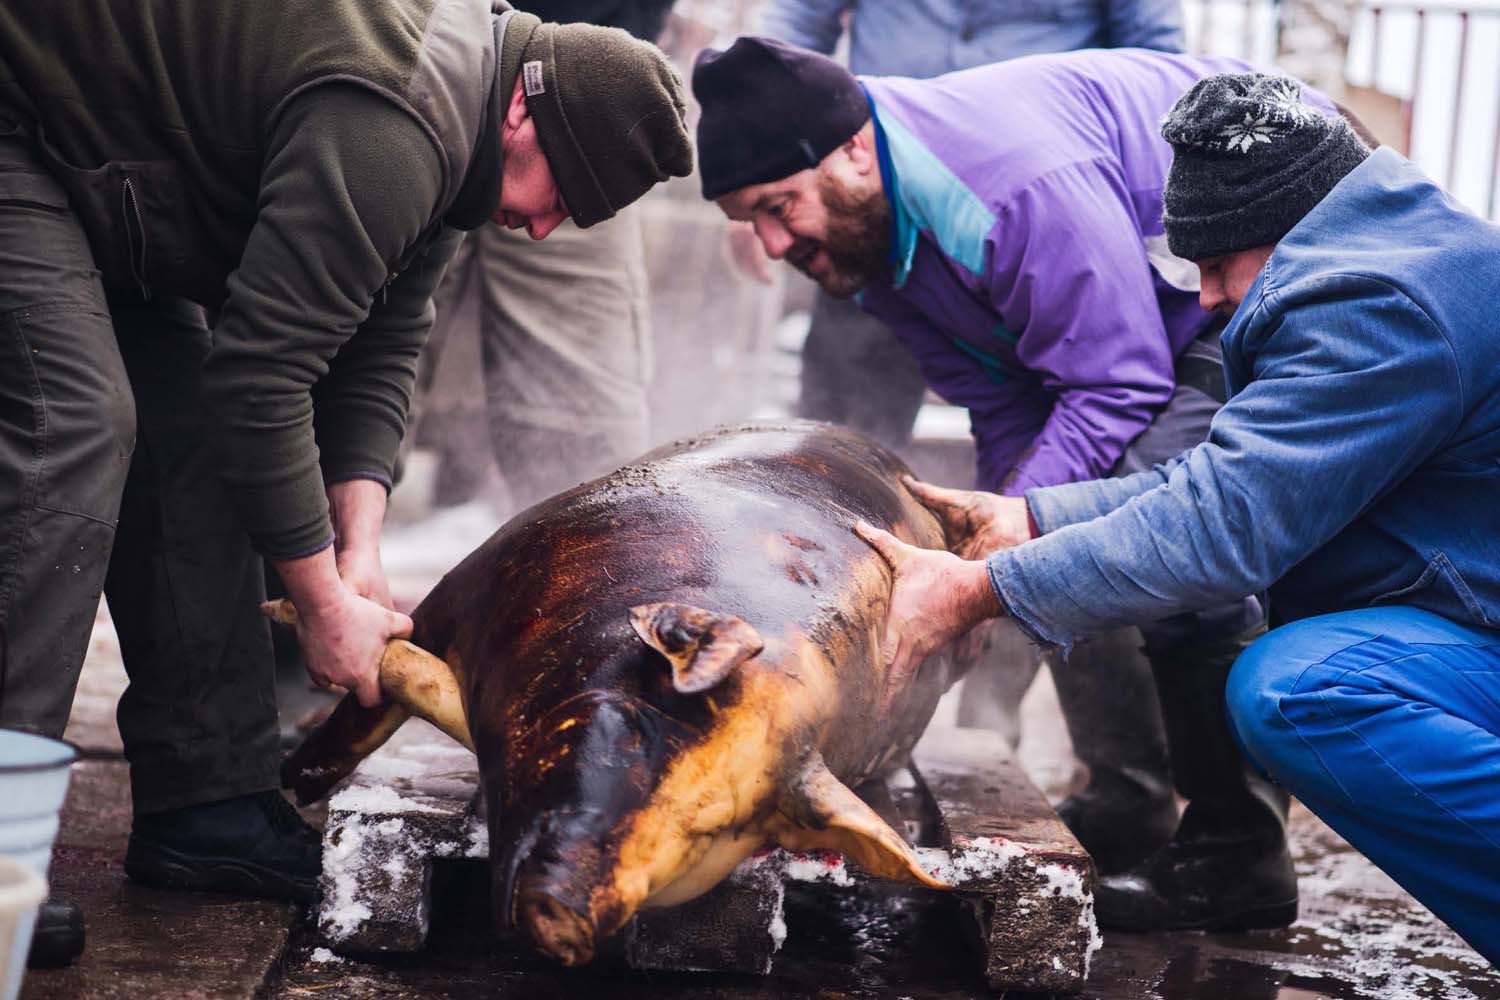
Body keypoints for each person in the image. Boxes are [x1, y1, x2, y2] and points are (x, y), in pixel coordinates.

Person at [0, 0, 690, 964]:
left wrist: (357, 547)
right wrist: (320, 600)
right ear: (525, 119)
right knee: (71, 428)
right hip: (22, 118)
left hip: (108, 163)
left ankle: (207, 804)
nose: (541, 229)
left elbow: (379, 346)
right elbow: (262, 380)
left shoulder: (465, 128)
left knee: (186, 439)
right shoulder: (397, 121)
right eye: (559, 194)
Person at [856, 73, 1500, 958]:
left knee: (1303, 690)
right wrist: (1035, 518)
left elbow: (1223, 529)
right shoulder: (1388, 253)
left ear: (1280, 230)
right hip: (1476, 609)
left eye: (1215, 263)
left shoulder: (1379, 309)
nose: (1201, 298)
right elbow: (1226, 478)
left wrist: (982, 589)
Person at [691, 38, 1331, 910]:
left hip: (1255, 275)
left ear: (851, 151)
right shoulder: (867, 231)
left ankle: (1238, 850)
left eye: (778, 206)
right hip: (1148, 321)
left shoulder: (1009, 186)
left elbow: (1116, 383)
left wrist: (1007, 550)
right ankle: (1132, 797)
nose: (770, 244)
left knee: (1151, 525)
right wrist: (991, 547)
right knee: (1047, 523)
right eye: (747, 222)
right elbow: (1006, 408)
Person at [750, 0, 1187, 449]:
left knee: (1056, 403)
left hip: (1031, 210)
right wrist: (764, 176)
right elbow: (798, 18)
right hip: (864, 197)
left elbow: (1154, 48)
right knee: (843, 427)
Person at [415, 0, 678, 513]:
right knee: (356, 339)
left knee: (580, 425)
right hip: (429, 62)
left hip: (586, 110)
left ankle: (590, 567)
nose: (538, 232)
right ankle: (317, 566)